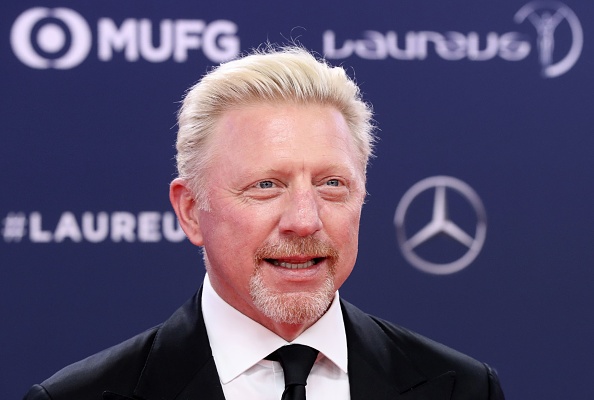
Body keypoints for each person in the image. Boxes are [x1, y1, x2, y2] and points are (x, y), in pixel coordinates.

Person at [24, 45, 505, 400]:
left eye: (331, 184)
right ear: (191, 210)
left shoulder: (463, 388)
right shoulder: (77, 398)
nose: (304, 220)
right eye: (266, 185)